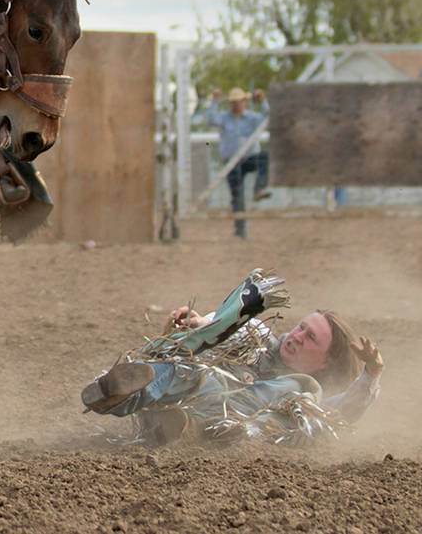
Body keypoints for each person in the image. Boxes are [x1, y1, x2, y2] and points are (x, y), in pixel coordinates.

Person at [81, 272, 383, 447]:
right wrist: (198, 323)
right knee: (189, 373)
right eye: (301, 327)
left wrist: (372, 372)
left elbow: (344, 410)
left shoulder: (307, 397)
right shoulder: (257, 334)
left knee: (302, 391)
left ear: (326, 362)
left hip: (236, 423)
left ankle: (179, 425)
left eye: (311, 338)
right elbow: (219, 328)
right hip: (200, 393)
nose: (298, 336)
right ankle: (116, 395)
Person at [202, 87, 270, 239]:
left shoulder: (252, 117)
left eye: (239, 102)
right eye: (233, 102)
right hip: (231, 161)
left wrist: (263, 101)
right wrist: (214, 101)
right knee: (237, 195)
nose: (236, 105)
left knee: (265, 158)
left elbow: (269, 118)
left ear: (245, 102)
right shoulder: (224, 118)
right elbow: (209, 119)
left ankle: (259, 188)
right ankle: (240, 229)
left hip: (249, 157)